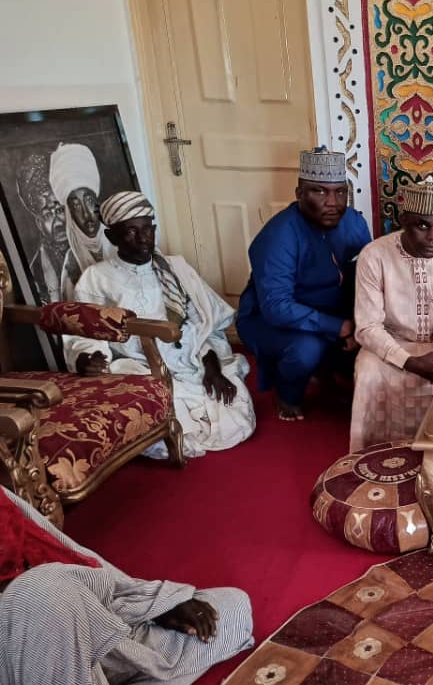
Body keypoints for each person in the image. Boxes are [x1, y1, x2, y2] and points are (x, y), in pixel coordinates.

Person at [0, 488, 253, 685]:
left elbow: (67, 554)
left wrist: (157, 605)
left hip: (68, 645)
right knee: (42, 590)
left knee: (231, 611)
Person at [64, 192, 256, 459]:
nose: (143, 239)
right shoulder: (97, 279)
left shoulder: (175, 267)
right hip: (138, 365)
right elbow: (84, 329)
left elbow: (206, 325)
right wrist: (87, 357)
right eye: (130, 232)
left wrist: (212, 367)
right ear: (112, 237)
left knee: (234, 412)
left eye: (147, 229)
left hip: (192, 358)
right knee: (159, 413)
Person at [237, 147, 372, 420]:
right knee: (305, 350)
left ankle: (327, 373)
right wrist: (339, 327)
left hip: (334, 315)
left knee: (374, 341)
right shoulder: (279, 235)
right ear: (299, 194)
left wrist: (361, 322)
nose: (332, 202)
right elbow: (276, 306)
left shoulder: (354, 223)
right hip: (273, 322)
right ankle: (287, 394)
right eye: (319, 191)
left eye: (340, 192)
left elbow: (369, 276)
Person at [349, 177, 433, 450]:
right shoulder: (374, 255)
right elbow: (367, 327)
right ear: (403, 220)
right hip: (389, 342)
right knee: (368, 371)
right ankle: (371, 455)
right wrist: (409, 361)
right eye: (422, 225)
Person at [49, 142, 110, 300]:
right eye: (76, 205)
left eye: (89, 201)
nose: (86, 213)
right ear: (70, 214)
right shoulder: (72, 263)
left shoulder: (119, 242)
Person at [17, 153, 69, 303]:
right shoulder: (37, 271)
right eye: (47, 215)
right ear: (39, 223)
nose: (57, 222)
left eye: (59, 210)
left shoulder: (92, 246)